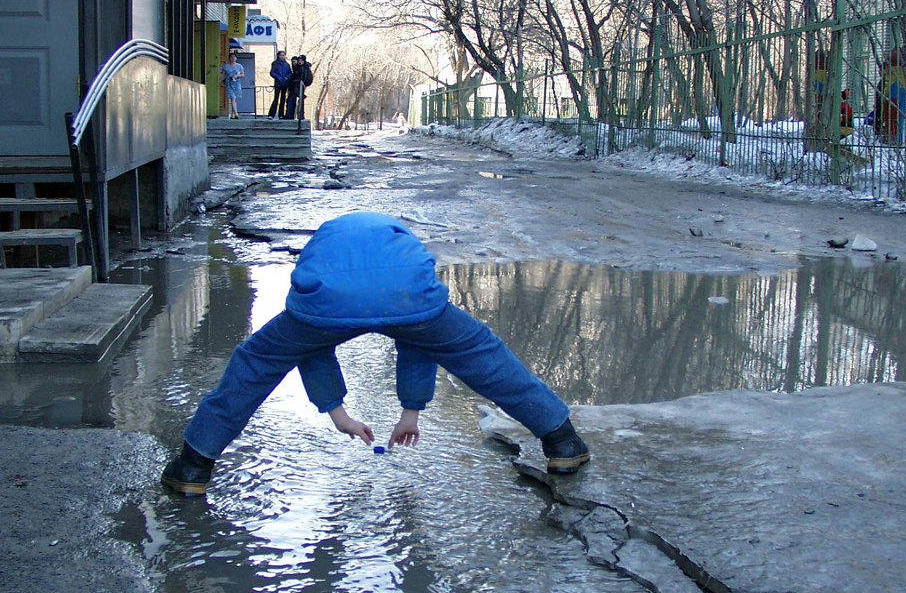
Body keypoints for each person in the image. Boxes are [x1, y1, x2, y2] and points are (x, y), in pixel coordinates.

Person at [162, 212, 590, 496]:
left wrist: (337, 411)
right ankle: (562, 440)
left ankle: (193, 467)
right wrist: (411, 411)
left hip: (324, 304)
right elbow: (417, 341)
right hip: (411, 297)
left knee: (254, 364)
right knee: (483, 355)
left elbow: (312, 348)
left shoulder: (326, 243)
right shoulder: (397, 239)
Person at [284, 54, 314, 120]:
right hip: (295, 87)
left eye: (301, 60)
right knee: (292, 101)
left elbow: (304, 78)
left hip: (299, 86)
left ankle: (299, 116)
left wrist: (299, 82)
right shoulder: (298, 67)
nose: (300, 62)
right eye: (299, 60)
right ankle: (291, 115)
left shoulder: (304, 68)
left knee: (298, 101)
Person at [267, 51, 292, 120]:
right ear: (278, 56)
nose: (282, 56)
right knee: (276, 99)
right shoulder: (275, 63)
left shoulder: (287, 64)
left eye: (283, 55)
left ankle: (281, 114)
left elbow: (290, 73)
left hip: (285, 84)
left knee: (283, 99)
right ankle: (271, 114)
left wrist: (287, 77)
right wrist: (278, 77)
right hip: (278, 83)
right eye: (281, 55)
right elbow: (272, 72)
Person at [220, 52, 245, 119]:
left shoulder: (239, 66)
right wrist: (221, 80)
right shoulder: (226, 66)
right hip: (229, 83)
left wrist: (237, 75)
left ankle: (233, 113)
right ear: (229, 58)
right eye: (231, 57)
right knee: (232, 98)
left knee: (234, 99)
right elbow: (222, 74)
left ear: (236, 58)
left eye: (234, 57)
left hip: (236, 83)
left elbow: (243, 74)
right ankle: (236, 113)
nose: (233, 58)